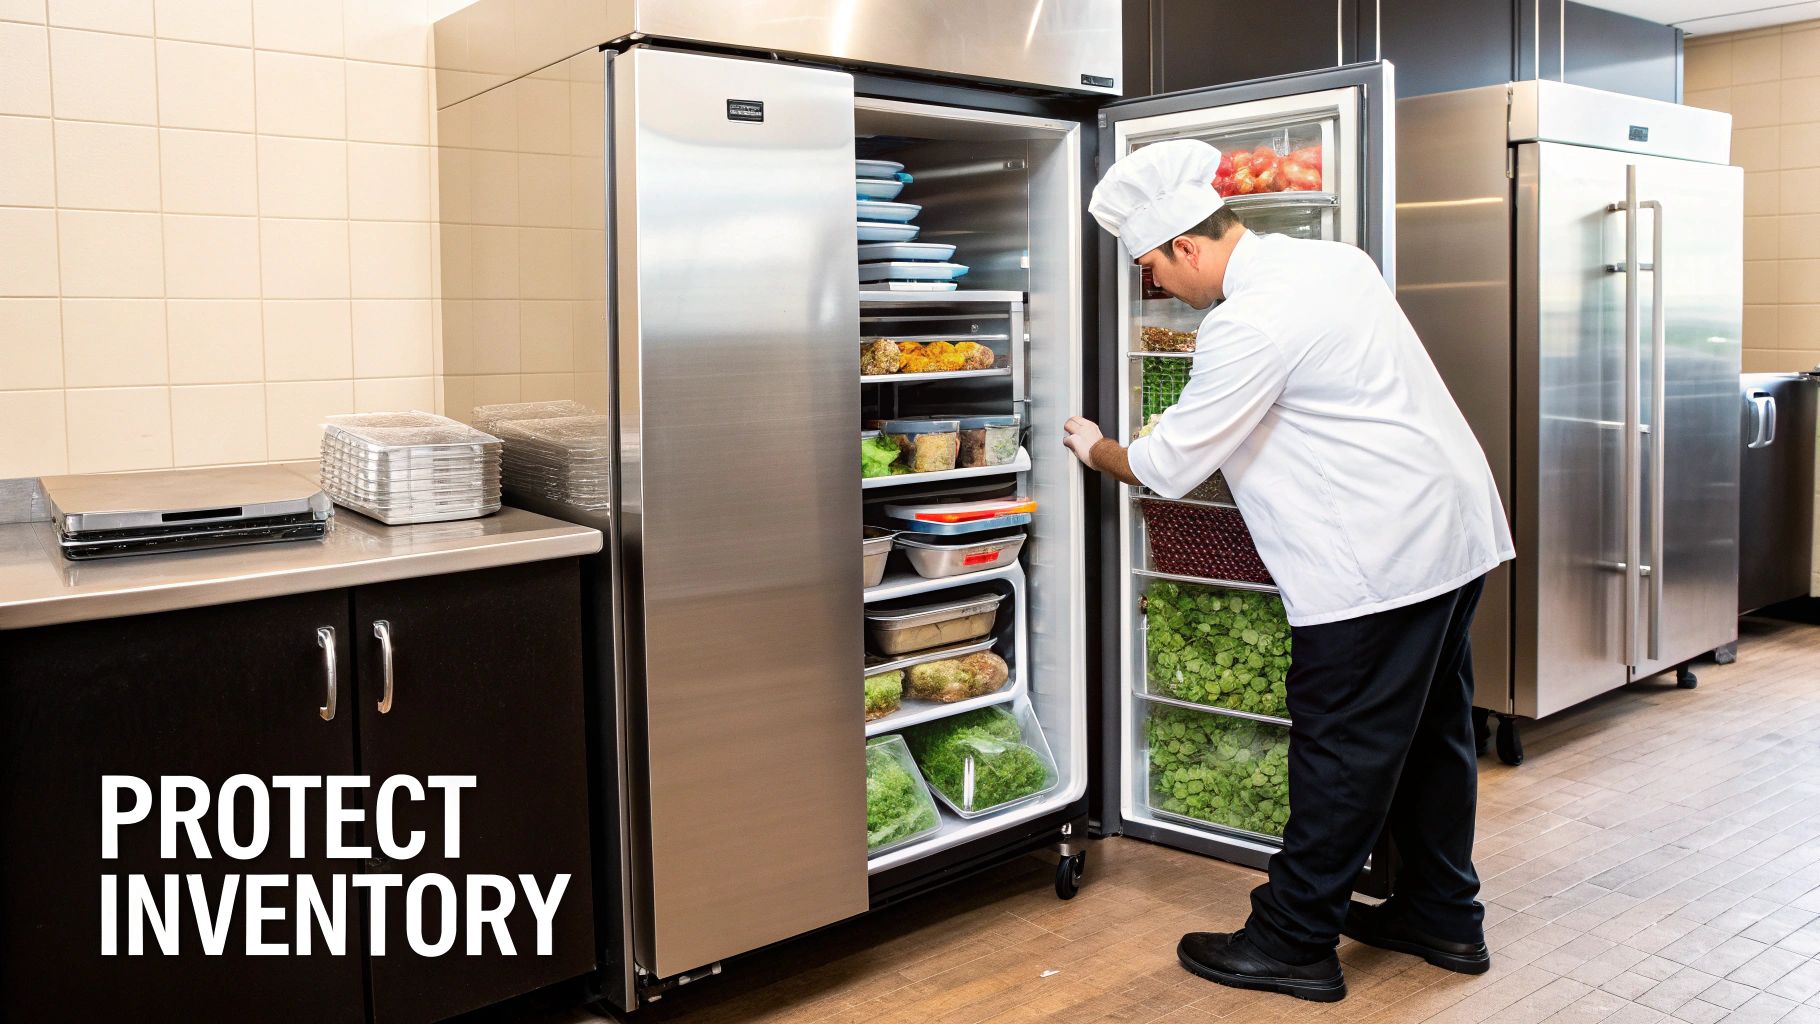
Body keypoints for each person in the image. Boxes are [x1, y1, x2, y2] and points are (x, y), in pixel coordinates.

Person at [1069, 139, 1515, 1003]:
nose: (1154, 286)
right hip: (1452, 535)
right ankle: (1441, 914)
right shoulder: (1336, 262)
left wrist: (1096, 448)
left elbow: (1168, 465)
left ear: (1187, 246)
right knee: (1432, 736)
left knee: (1339, 748)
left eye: (1152, 268)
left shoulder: (1246, 323)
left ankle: (1293, 940)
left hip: (1379, 562)